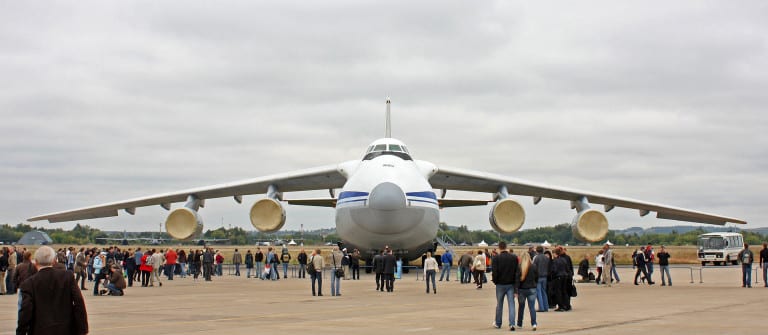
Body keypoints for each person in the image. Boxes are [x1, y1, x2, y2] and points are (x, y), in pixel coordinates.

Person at [17, 246, 88, 335]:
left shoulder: (28, 284)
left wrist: (21, 331)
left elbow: (26, 310)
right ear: (54, 261)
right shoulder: (67, 277)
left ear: (36, 262)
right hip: (66, 329)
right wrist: (82, 329)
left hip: (40, 330)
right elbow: (79, 302)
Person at [491, 241, 520, 331]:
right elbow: (517, 273)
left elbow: (494, 272)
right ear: (506, 247)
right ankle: (512, 323)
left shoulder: (496, 258)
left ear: (499, 248)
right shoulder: (514, 257)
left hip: (500, 284)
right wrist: (516, 286)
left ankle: (498, 323)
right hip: (511, 284)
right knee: (511, 304)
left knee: (499, 304)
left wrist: (495, 281)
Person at [516, 251, 538, 331]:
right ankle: (534, 323)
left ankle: (519, 323)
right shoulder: (534, 266)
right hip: (532, 288)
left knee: (521, 307)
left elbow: (517, 280)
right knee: (532, 307)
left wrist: (516, 290)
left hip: (522, 289)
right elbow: (537, 277)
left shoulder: (519, 267)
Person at [552, 247, 574, 311]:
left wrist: (553, 276)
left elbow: (554, 270)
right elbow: (568, 268)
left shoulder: (555, 260)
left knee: (558, 292)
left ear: (555, 253)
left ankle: (561, 306)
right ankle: (567, 305)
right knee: (564, 291)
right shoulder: (564, 259)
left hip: (558, 276)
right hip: (565, 276)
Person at [532, 246, 550, 312]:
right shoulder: (546, 258)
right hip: (545, 276)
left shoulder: (536, 258)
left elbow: (534, 267)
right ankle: (546, 307)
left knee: (538, 292)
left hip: (538, 277)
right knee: (544, 292)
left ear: (537, 251)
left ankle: (541, 307)